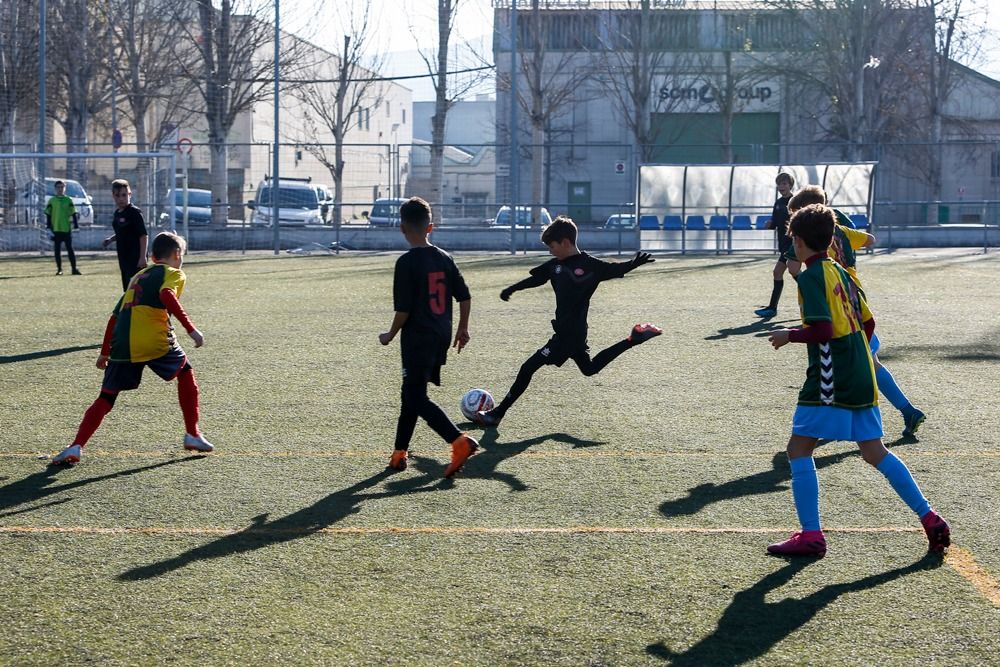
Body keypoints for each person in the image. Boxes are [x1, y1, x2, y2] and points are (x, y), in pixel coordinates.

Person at [765, 204, 949, 557]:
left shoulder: (811, 277)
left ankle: (811, 536)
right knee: (873, 451)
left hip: (833, 377)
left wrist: (790, 334)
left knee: (798, 449)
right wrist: (857, 355)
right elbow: (868, 324)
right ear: (832, 239)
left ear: (798, 242)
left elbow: (822, 329)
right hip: (862, 370)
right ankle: (930, 518)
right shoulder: (842, 273)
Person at [474, 216, 662, 427]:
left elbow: (614, 269)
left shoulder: (590, 265)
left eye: (552, 246)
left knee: (528, 368)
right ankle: (632, 339)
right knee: (589, 368)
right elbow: (537, 278)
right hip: (574, 331)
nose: (550, 251)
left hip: (567, 336)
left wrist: (633, 264)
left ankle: (497, 413)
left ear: (565, 242)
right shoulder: (555, 265)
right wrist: (513, 288)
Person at [51, 232, 213, 465]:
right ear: (177, 254)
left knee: (106, 397)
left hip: (122, 343)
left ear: (152, 255)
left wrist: (105, 352)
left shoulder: (138, 276)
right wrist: (191, 328)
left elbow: (114, 317)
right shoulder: (173, 273)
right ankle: (193, 434)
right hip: (152, 339)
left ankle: (75, 446)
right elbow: (166, 294)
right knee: (185, 372)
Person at [786, 186, 925, 437]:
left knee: (854, 362)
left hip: (833, 298)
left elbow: (793, 269)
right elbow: (870, 239)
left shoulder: (809, 242)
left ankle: (903, 411)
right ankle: (898, 412)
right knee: (867, 361)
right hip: (854, 294)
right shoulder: (840, 230)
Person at [378, 196, 478, 478]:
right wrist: (463, 327)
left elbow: (404, 310)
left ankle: (458, 441)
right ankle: (399, 453)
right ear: (430, 227)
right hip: (441, 335)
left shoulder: (406, 263)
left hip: (418, 338)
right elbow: (465, 296)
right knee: (410, 393)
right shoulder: (445, 258)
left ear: (402, 228)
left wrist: (389, 334)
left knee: (415, 395)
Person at [754, 172, 795, 318]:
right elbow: (776, 223)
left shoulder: (795, 201)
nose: (781, 186)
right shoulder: (778, 203)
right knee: (789, 273)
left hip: (794, 245)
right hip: (783, 244)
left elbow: (801, 221)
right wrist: (770, 225)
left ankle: (772, 308)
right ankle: (815, 298)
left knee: (780, 272)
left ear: (790, 185)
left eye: (784, 183)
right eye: (779, 183)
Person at [102, 179, 148, 291]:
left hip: (135, 257)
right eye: (117, 195)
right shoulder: (117, 214)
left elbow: (143, 235)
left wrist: (142, 257)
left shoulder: (134, 212)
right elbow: (122, 232)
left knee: (137, 289)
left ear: (130, 194)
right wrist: (111, 239)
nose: (121, 198)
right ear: (113, 196)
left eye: (124, 195)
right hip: (123, 257)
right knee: (127, 289)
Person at [45, 180, 81, 275]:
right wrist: (48, 227)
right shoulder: (52, 201)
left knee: (70, 249)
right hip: (56, 229)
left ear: (64, 188)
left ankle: (74, 269)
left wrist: (76, 226)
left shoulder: (68, 200)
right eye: (58, 187)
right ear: (55, 189)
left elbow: (73, 213)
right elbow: (48, 214)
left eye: (62, 187)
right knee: (57, 251)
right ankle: (59, 269)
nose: (60, 189)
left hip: (66, 229)